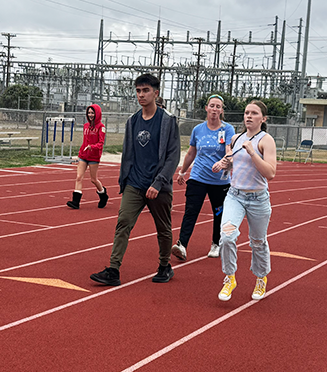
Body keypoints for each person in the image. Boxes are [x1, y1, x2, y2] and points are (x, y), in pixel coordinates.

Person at [90, 74, 180, 285]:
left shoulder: (167, 121)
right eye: (138, 91)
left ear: (156, 93)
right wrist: (125, 179)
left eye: (145, 90)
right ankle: (113, 270)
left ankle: (164, 265)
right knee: (123, 222)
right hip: (135, 183)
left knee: (163, 229)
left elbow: (173, 156)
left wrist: (158, 182)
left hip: (158, 185)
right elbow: (128, 152)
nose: (141, 95)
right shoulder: (133, 121)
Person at [212, 100, 277, 301]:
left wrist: (252, 152)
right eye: (247, 112)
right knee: (227, 236)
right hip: (235, 196)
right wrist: (223, 164)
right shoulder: (236, 138)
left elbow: (270, 173)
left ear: (263, 119)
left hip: (258, 198)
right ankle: (230, 277)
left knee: (258, 242)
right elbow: (232, 164)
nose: (248, 116)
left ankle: (261, 278)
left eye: (254, 113)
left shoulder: (266, 140)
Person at [171, 94, 235, 261]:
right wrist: (182, 172)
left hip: (219, 180)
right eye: (212, 106)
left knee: (219, 213)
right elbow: (192, 152)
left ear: (222, 110)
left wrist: (223, 162)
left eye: (218, 106)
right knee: (191, 211)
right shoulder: (198, 129)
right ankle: (182, 245)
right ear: (206, 108)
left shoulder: (227, 129)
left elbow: (229, 150)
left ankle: (216, 243)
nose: (214, 109)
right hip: (198, 177)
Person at [66, 104, 109, 209]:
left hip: (94, 157)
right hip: (83, 155)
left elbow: (101, 143)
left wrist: (92, 147)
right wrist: (83, 149)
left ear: (97, 114)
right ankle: (76, 202)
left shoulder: (101, 127)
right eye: (89, 113)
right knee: (79, 177)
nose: (90, 115)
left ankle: (103, 194)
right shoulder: (86, 126)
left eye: (92, 113)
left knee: (93, 179)